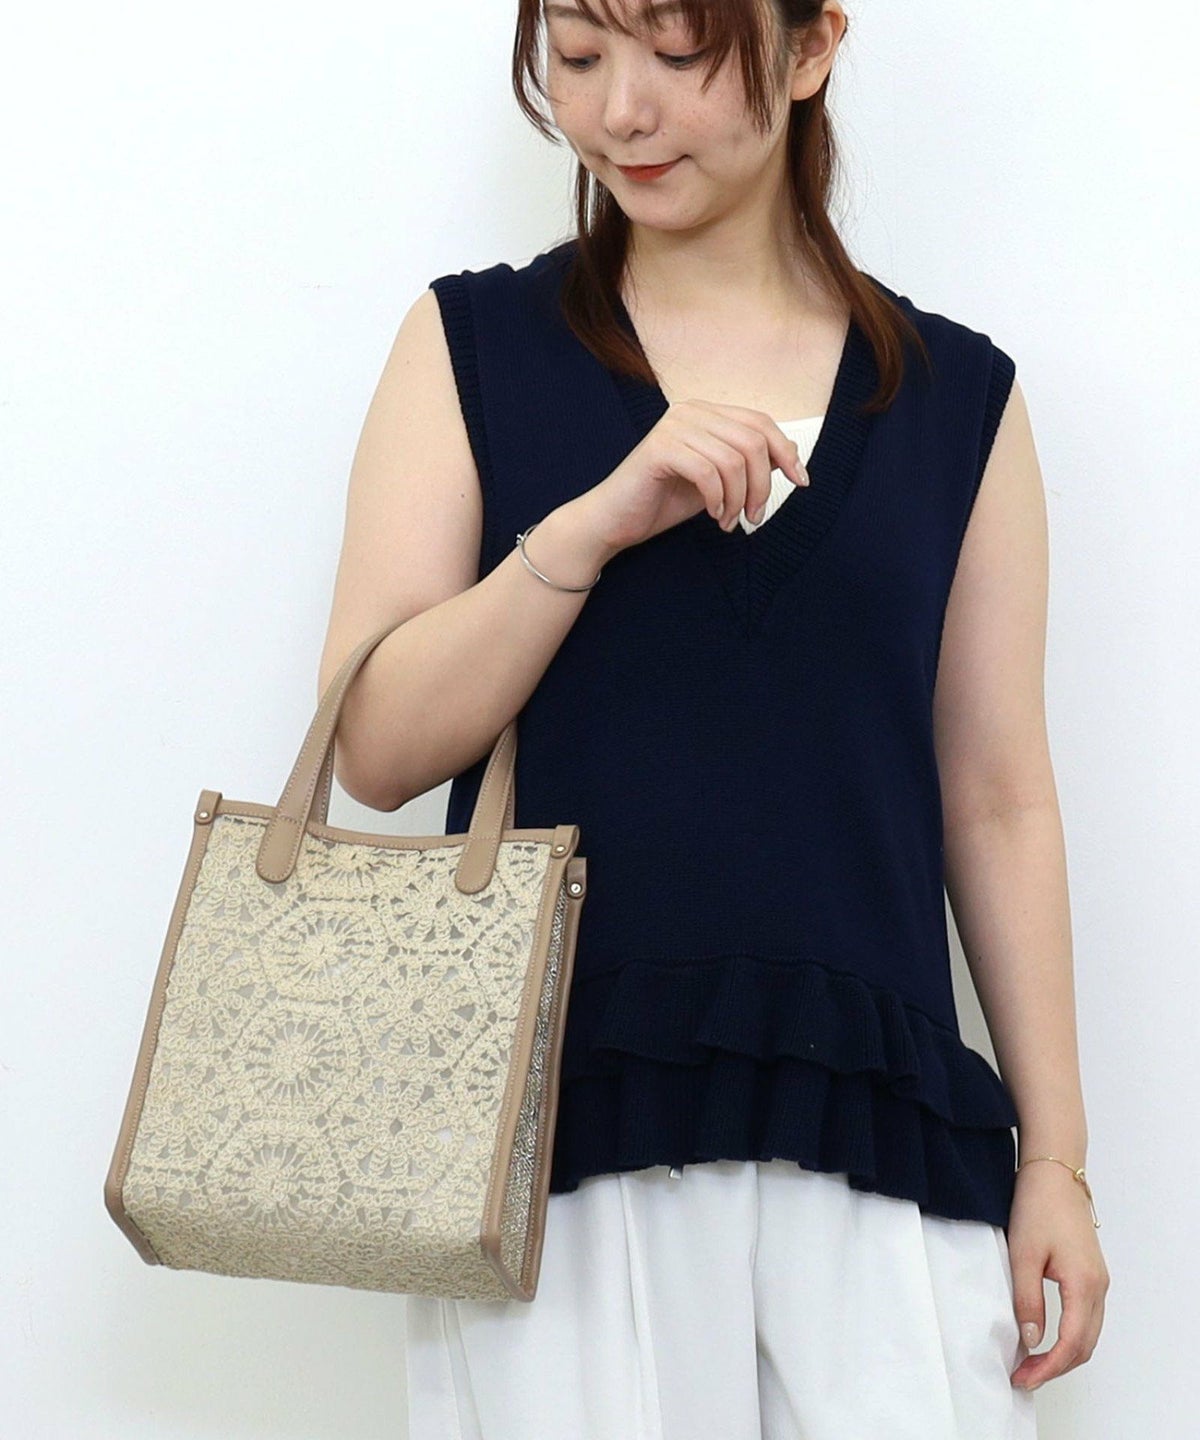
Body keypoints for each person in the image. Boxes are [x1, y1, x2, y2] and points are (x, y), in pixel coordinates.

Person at [317, 1, 1110, 1435]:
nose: (620, 110)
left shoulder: (955, 402)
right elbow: (373, 747)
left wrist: (1055, 1159)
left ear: (809, 49)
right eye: (577, 57)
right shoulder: (471, 344)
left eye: (679, 54)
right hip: (557, 1147)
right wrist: (592, 526)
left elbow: (997, 796)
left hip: (881, 1137)